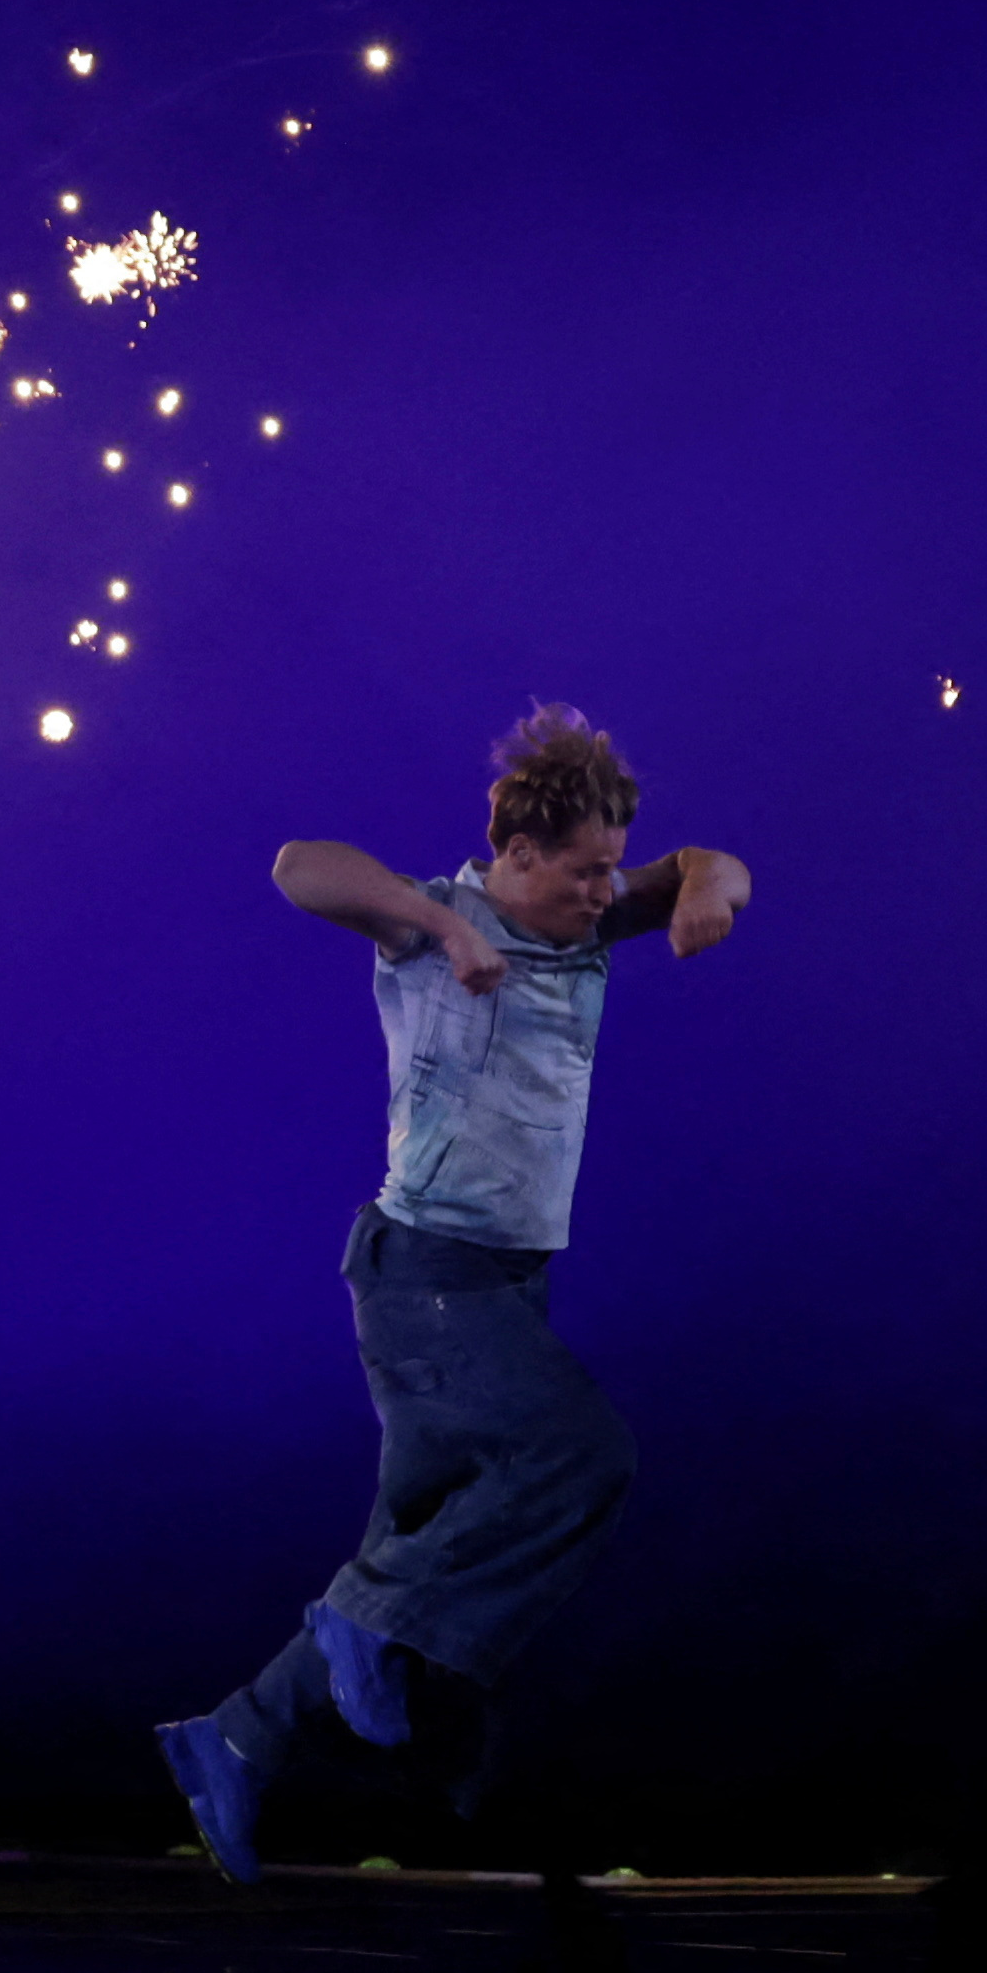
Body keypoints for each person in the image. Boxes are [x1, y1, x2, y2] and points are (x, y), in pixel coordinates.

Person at [158, 704, 754, 1879]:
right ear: (519, 856)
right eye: (582, 872)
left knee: (417, 1555)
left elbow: (705, 860)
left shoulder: (586, 926)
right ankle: (365, 1633)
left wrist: (706, 891)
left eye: (610, 872)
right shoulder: (439, 924)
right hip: (429, 1280)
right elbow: (298, 867)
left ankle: (235, 1737)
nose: (601, 892)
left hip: (506, 1285)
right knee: (580, 1458)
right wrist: (436, 923)